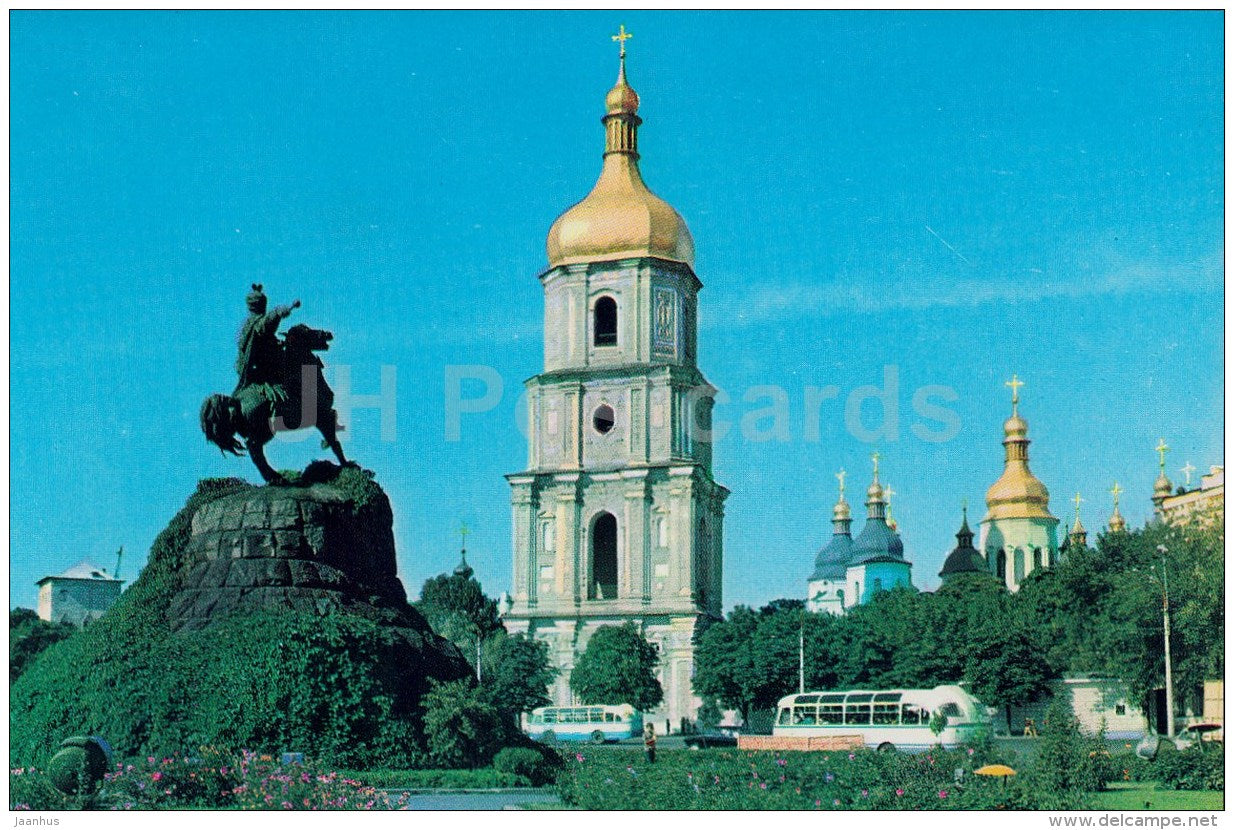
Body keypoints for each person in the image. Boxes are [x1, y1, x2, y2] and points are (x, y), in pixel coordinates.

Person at [234, 284, 300, 396]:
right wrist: (280, 311)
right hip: (270, 372)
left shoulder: (247, 327)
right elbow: (268, 321)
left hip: (261, 371)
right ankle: (310, 411)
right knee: (307, 374)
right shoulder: (257, 324)